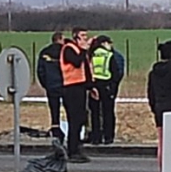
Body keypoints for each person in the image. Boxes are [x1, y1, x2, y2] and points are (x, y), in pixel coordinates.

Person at [60, 27, 99, 163]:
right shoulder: (69, 49)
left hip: (80, 87)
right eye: (82, 35)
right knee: (74, 120)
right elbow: (76, 62)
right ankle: (72, 150)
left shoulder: (81, 51)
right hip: (71, 88)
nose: (85, 38)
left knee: (80, 119)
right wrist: (83, 49)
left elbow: (86, 70)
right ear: (75, 36)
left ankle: (77, 147)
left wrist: (91, 87)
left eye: (86, 35)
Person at [88, 35, 123, 145]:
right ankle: (108, 137)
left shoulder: (90, 55)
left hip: (94, 87)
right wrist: (113, 87)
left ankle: (96, 137)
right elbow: (116, 72)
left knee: (95, 113)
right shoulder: (109, 55)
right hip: (106, 86)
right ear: (104, 43)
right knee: (108, 112)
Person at [37, 31, 65, 143]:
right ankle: (69, 130)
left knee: (54, 108)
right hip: (65, 85)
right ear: (60, 39)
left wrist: (45, 84)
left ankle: (55, 128)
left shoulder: (44, 52)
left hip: (51, 85)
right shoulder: (65, 51)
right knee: (69, 109)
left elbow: (40, 71)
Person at [147, 40, 171, 171]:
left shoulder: (153, 72)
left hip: (160, 109)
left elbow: (150, 93)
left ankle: (164, 170)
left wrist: (154, 107)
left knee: (162, 142)